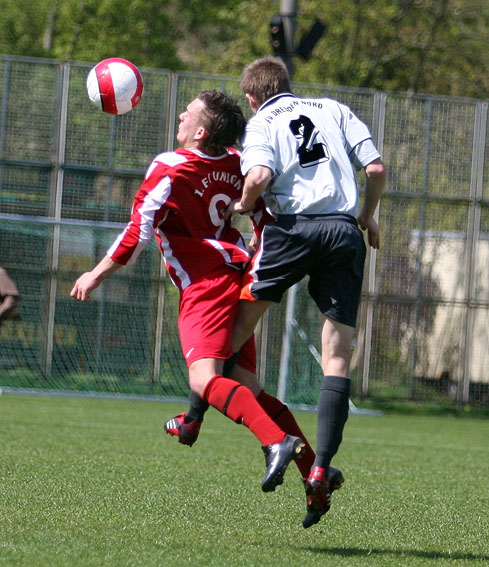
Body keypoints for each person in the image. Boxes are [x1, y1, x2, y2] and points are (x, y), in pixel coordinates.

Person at [70, 90, 307, 494]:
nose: (181, 115)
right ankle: (315, 472)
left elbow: (137, 232)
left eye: (189, 112)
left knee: (203, 380)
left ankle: (274, 441)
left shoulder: (171, 167)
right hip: (239, 275)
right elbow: (265, 214)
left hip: (205, 284)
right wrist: (257, 246)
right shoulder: (238, 162)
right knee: (245, 385)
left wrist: (96, 273)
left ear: (200, 132)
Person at [223, 56, 387, 528]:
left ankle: (194, 413)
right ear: (287, 84)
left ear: (252, 98)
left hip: (293, 229)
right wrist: (366, 215)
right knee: (336, 358)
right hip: (343, 230)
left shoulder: (260, 122)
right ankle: (320, 470)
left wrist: (243, 204)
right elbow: (376, 169)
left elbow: (258, 178)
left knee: (232, 340)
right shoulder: (333, 108)